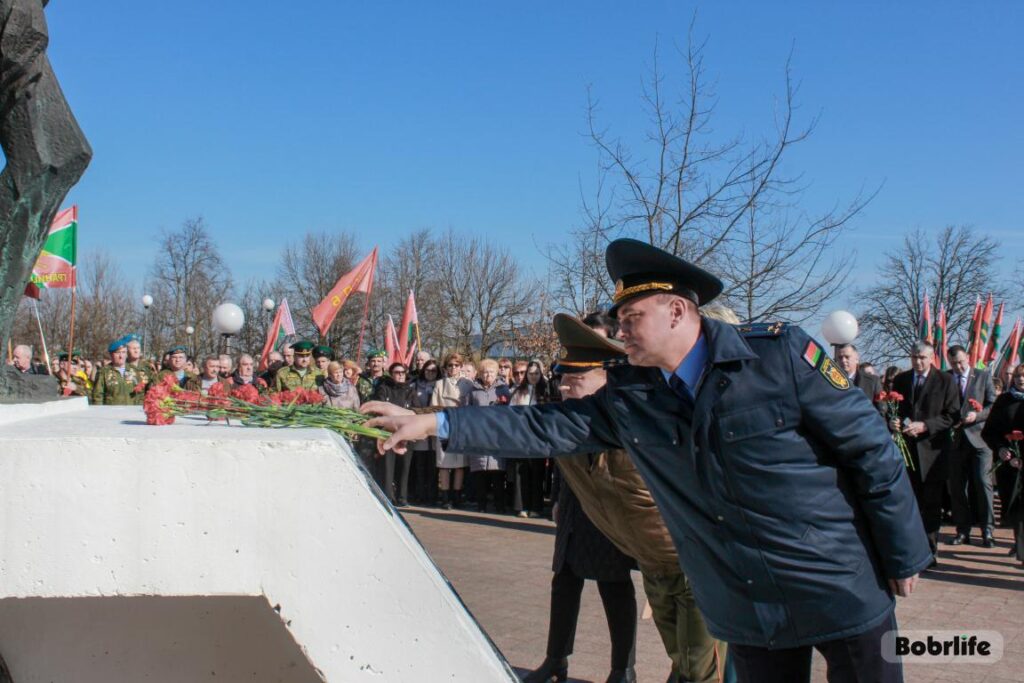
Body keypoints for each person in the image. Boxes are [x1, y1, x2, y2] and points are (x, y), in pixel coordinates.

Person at [368, 238, 931, 683]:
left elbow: (870, 450)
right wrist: (433, 422)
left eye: (631, 317)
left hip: (835, 581)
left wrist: (903, 554)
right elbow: (540, 426)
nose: (619, 333)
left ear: (678, 311)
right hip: (746, 601)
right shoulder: (634, 396)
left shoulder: (777, 356)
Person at [890, 341, 959, 566]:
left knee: (931, 504)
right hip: (907, 452)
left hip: (933, 453)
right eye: (913, 357)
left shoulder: (945, 381)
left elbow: (952, 415)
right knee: (909, 503)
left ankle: (929, 552)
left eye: (922, 358)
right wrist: (894, 421)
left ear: (931, 358)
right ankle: (911, 550)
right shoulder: (900, 380)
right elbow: (894, 410)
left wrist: (926, 426)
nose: (917, 362)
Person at [946, 344, 998, 547]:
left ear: (967, 357)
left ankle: (987, 530)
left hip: (980, 439)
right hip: (955, 441)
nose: (958, 366)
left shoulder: (983, 376)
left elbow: (993, 404)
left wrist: (977, 415)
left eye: (960, 361)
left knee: (983, 484)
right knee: (958, 487)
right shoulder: (946, 377)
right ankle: (962, 530)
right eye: (954, 363)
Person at [981, 364, 1024, 564]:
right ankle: (1020, 543)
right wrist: (1000, 448)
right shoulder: (1004, 401)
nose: (1021, 380)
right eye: (1018, 376)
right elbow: (989, 431)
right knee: (1015, 508)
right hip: (1009, 464)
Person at [467, 359, 511, 513]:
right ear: (480, 373)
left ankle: (499, 505)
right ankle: (481, 505)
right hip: (478, 435)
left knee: (497, 472)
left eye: (491, 372)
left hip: (496, 435)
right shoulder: (473, 390)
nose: (488, 375)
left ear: (496, 373)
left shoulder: (503, 390)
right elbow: (467, 410)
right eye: (485, 372)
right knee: (480, 473)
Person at [371, 362, 417, 506]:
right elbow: (380, 409)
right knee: (388, 466)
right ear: (391, 374)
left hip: (406, 433)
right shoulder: (384, 389)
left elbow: (416, 411)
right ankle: (388, 497)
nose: (400, 375)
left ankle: (402, 497)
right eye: (397, 372)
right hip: (387, 433)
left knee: (404, 467)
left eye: (402, 372)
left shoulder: (410, 391)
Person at [431, 352, 473, 509]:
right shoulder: (439, 384)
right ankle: (445, 497)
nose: (453, 368)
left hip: (461, 427)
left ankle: (457, 496)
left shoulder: (468, 384)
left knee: (460, 464)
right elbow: (434, 407)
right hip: (444, 426)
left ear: (461, 366)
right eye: (450, 365)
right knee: (444, 464)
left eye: (456, 365)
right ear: (446, 367)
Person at [510, 359, 549, 518]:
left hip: (538, 437)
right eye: (530, 373)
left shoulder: (545, 391)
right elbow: (511, 412)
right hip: (522, 437)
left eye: (536, 373)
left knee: (537, 472)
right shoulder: (519, 391)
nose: (533, 376)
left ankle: (536, 507)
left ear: (541, 374)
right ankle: (522, 506)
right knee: (522, 472)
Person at [410, 359, 441, 505]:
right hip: (420, 429)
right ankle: (419, 494)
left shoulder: (441, 385)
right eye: (428, 370)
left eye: (433, 371)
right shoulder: (415, 385)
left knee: (433, 467)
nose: (430, 373)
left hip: (435, 431)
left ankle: (432, 495)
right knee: (420, 465)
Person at [91, 337, 147, 405]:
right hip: (111, 413)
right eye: (118, 353)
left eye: (123, 352)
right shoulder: (103, 372)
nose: (121, 356)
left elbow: (140, 394)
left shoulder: (134, 370)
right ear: (111, 355)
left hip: (131, 412)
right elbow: (97, 396)